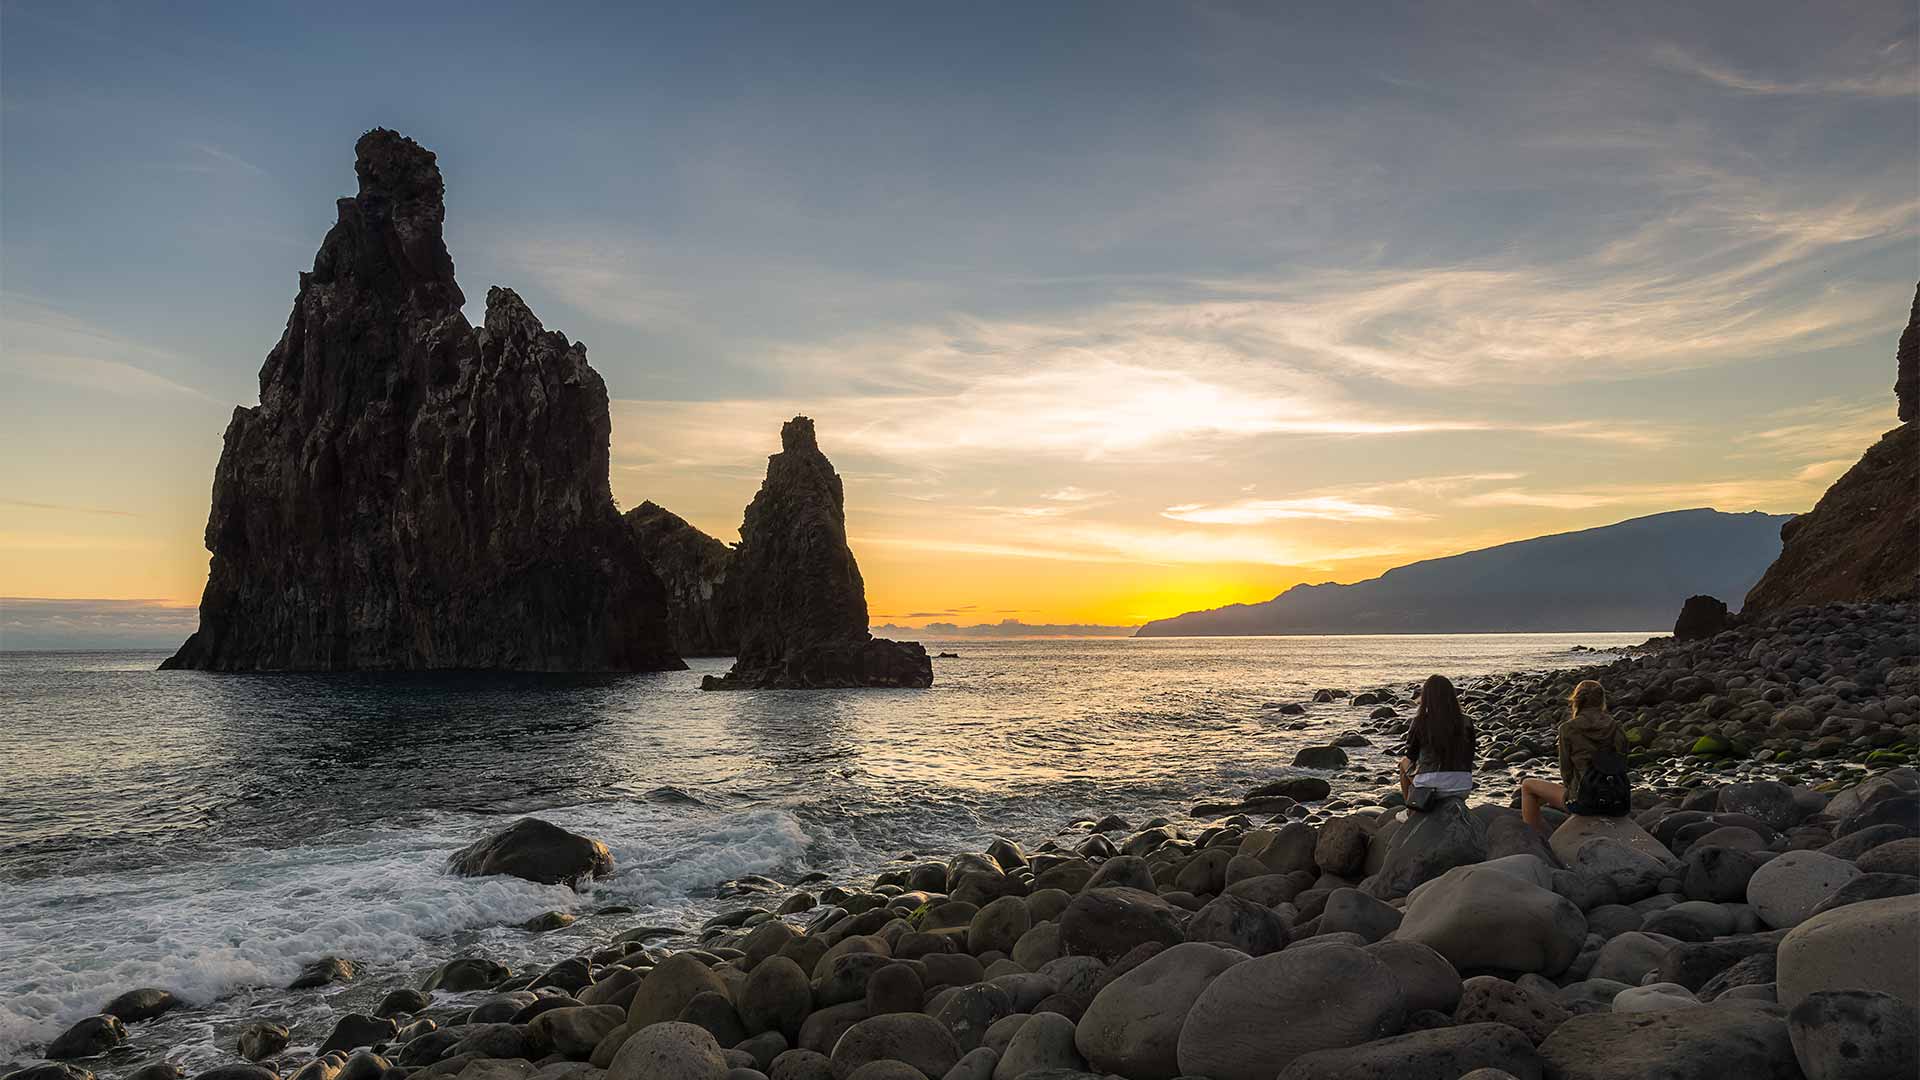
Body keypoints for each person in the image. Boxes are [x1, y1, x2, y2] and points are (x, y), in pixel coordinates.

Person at [1521, 678, 1629, 834]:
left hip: (1585, 801)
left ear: (1576, 701)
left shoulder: (1567, 729)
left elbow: (1566, 772)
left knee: (1527, 785)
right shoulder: (1616, 726)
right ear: (1601, 701)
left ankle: (1535, 840)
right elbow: (1623, 763)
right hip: (1617, 799)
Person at [1397, 674, 1476, 807]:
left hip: (1430, 787)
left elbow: (1411, 755)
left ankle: (1411, 809)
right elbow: (1470, 754)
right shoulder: (1466, 721)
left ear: (1427, 697)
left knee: (1404, 763)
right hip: (1462, 786)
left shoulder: (1420, 721)